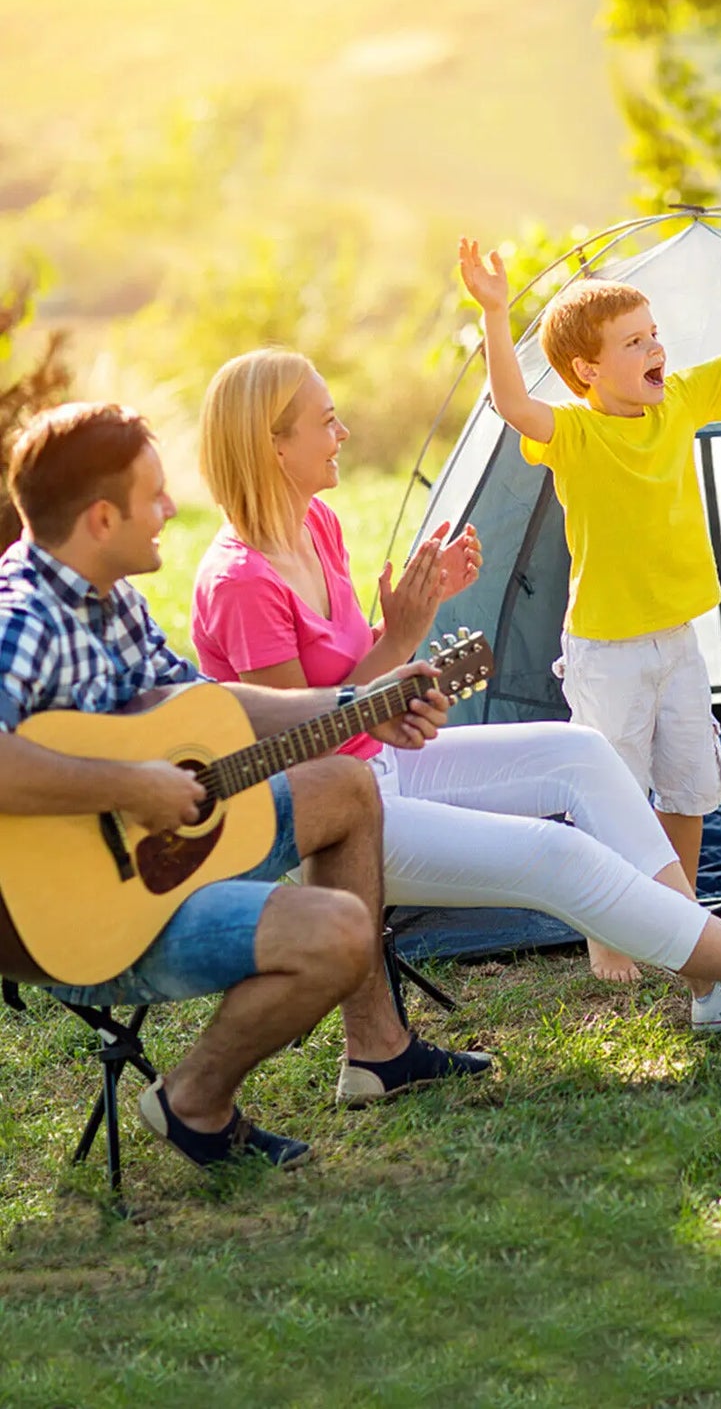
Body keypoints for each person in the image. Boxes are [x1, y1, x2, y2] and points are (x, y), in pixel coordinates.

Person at [190, 350, 721, 1037]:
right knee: (557, 855)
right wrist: (403, 637)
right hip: (329, 821)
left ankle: (716, 984)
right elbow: (298, 742)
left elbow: (355, 680)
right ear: (273, 446)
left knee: (580, 753)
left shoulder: (315, 526)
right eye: (327, 422)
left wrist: (402, 637)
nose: (345, 434)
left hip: (381, 764)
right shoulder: (240, 583)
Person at [0, 402, 490, 1175]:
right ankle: (195, 1098)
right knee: (336, 931)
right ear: (100, 517)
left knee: (346, 784)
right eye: (154, 496)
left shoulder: (108, 594)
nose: (170, 510)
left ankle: (378, 1053)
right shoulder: (23, 620)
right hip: (72, 919)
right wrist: (131, 785)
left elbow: (214, 707)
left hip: (151, 858)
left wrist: (355, 704)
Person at [459, 207, 721, 980]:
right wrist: (497, 314)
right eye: (634, 342)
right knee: (613, 797)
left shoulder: (680, 401)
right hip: (606, 654)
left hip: (675, 641)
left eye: (653, 333)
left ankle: (678, 916)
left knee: (689, 785)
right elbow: (510, 405)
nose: (656, 348)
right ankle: (608, 932)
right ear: (587, 371)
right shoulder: (575, 435)